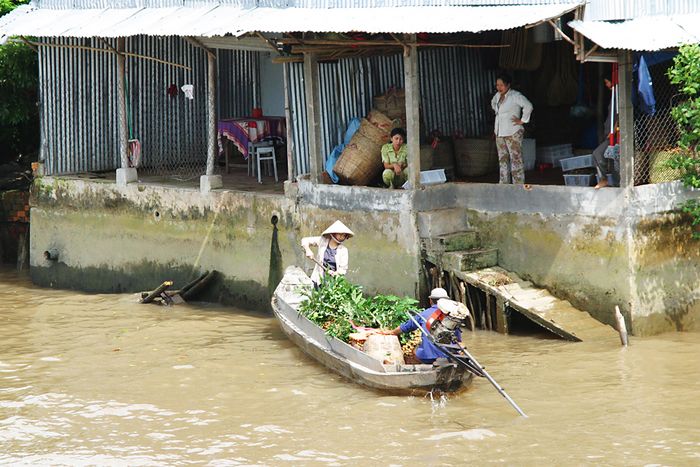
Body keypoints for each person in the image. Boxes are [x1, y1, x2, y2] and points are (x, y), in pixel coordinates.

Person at [385, 288, 462, 364]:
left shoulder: (423, 314)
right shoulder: (452, 317)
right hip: (449, 356)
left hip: (427, 357)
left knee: (415, 351)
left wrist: (391, 332)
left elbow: (405, 327)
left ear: (430, 300)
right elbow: (458, 340)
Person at [491, 72, 533, 185]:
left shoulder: (515, 96)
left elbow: (528, 106)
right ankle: (503, 183)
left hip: (513, 132)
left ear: (508, 85)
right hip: (500, 133)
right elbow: (493, 103)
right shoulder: (497, 96)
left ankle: (518, 184)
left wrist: (523, 120)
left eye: (501, 85)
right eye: (497, 85)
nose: (499, 87)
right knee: (502, 159)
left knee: (515, 159)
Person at [301, 220, 354, 287]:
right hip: (318, 279)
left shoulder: (343, 250)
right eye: (340, 234)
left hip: (332, 283)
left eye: (344, 235)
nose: (341, 237)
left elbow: (343, 269)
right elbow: (305, 240)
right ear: (334, 233)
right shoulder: (322, 241)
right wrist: (308, 250)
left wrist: (335, 273)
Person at [593, 77, 616, 189]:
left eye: (607, 82)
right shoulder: (614, 95)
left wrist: (614, 131)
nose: (607, 85)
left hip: (614, 136)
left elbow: (620, 115)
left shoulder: (618, 95)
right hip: (610, 135)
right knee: (612, 160)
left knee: (597, 154)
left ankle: (603, 179)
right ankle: (612, 182)